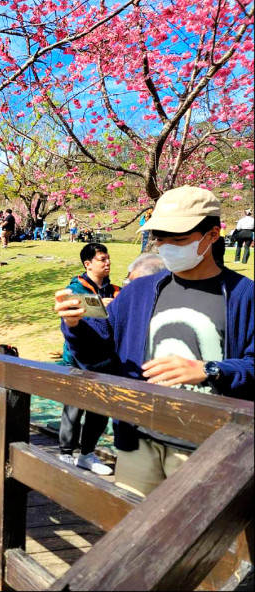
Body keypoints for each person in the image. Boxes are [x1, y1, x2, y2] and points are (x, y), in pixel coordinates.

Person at [54, 186, 253, 497]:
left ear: (213, 234)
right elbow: (100, 351)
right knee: (132, 532)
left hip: (209, 446)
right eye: (161, 238)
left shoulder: (245, 295)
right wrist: (75, 325)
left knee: (195, 538)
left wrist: (211, 369)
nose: (167, 247)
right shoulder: (139, 291)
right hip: (138, 438)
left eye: (179, 239)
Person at [57, 243, 120, 475]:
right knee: (73, 407)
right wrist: (100, 307)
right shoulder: (75, 289)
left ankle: (87, 454)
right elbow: (71, 311)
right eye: (102, 259)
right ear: (88, 264)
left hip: (106, 361)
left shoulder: (115, 290)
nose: (107, 263)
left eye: (108, 258)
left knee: (100, 410)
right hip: (78, 359)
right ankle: (65, 453)